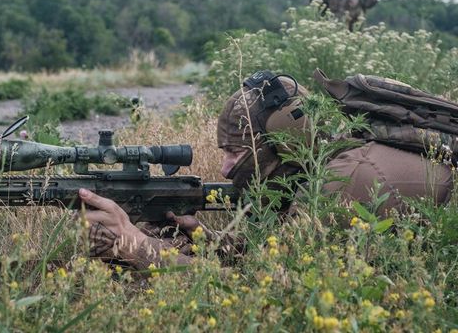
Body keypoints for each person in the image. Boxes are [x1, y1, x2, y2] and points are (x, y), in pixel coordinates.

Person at [79, 72, 454, 269]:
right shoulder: (328, 167)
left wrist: (136, 245)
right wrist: (209, 241)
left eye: (235, 152)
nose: (225, 169)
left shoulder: (346, 182)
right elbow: (280, 253)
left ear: (286, 142)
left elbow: (261, 288)